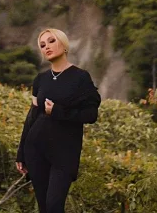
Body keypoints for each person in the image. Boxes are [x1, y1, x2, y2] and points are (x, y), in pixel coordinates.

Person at [16, 28, 101, 213]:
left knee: (54, 206)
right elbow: (32, 117)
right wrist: (21, 153)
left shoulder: (80, 77)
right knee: (44, 208)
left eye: (51, 41)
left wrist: (58, 111)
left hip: (64, 152)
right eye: (42, 45)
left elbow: (91, 115)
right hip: (36, 149)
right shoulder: (40, 80)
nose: (46, 47)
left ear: (64, 44)